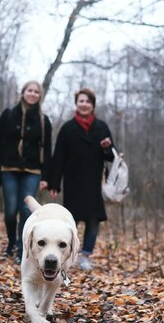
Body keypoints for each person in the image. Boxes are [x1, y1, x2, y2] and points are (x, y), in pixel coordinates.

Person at [49, 87, 117, 271]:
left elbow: (112, 157)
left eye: (87, 101)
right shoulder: (67, 128)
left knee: (93, 220)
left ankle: (85, 255)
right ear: (76, 103)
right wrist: (54, 182)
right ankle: (67, 255)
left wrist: (106, 148)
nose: (84, 104)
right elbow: (59, 157)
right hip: (73, 181)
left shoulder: (102, 127)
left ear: (92, 105)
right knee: (71, 221)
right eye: (81, 101)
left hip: (94, 182)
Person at [0, 80, 52, 264]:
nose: (32, 94)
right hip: (9, 169)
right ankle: (11, 242)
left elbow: (47, 151)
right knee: (10, 211)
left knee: (26, 211)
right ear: (23, 92)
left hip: (32, 171)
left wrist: (46, 178)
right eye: (29, 90)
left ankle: (22, 250)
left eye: (36, 92)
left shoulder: (43, 120)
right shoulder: (8, 115)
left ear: (40, 96)